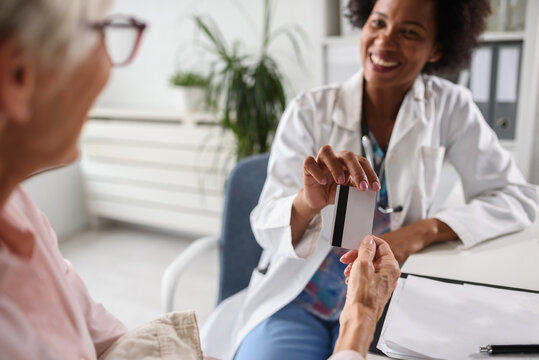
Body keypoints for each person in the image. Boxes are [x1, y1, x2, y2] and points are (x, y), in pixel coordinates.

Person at [200, 0, 538, 359]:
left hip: (385, 297)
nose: (385, 40)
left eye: (410, 32)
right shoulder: (309, 110)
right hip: (298, 300)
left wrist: (420, 232)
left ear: (438, 47)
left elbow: (518, 197)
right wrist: (307, 201)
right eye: (378, 22)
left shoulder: (451, 107)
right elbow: (265, 227)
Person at [0, 1, 215, 359]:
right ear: (19, 74)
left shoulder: (17, 206)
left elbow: (98, 333)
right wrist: (347, 341)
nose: (108, 70)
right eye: (102, 31)